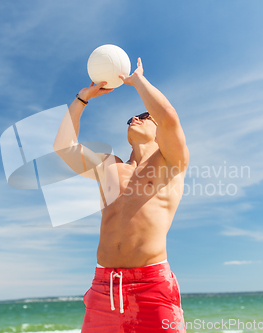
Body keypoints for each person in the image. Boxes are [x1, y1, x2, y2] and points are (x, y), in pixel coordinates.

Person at [53, 58, 189, 333]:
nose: (135, 119)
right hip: (105, 288)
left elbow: (168, 116)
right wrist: (82, 98)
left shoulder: (171, 162)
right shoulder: (109, 165)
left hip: (152, 286)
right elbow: (63, 149)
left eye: (143, 116)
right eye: (130, 118)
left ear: (158, 129)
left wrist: (137, 80)